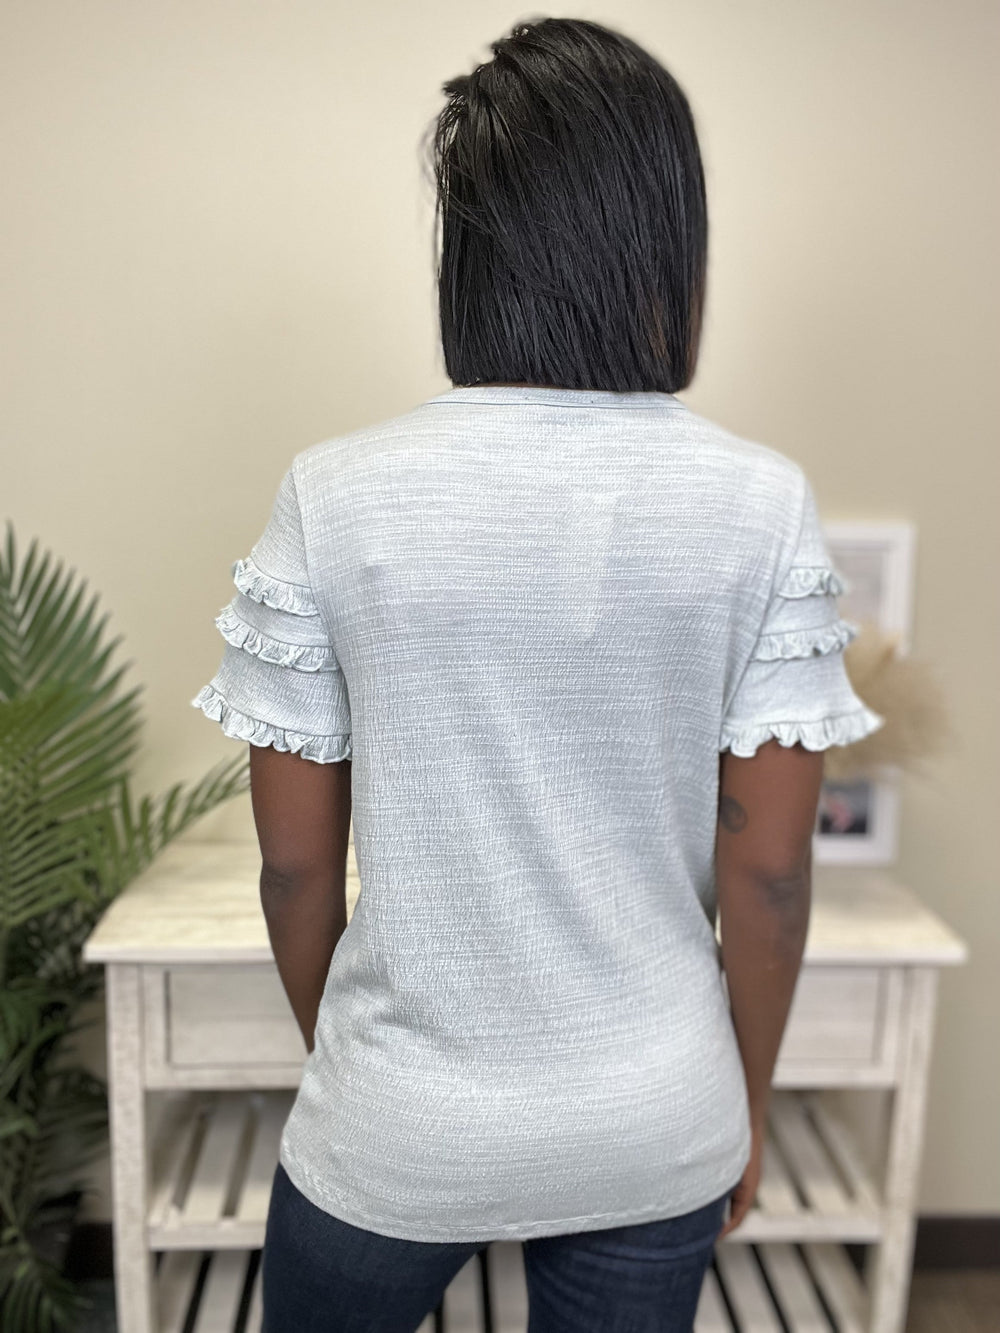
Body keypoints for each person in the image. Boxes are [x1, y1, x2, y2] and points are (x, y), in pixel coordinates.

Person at [191, 16, 884, 1332]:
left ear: (466, 252)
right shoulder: (761, 505)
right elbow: (771, 876)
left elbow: (293, 869)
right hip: (656, 1116)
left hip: (397, 1123)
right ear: (666, 239)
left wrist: (365, 1074)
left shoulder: (334, 496)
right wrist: (744, 1102)